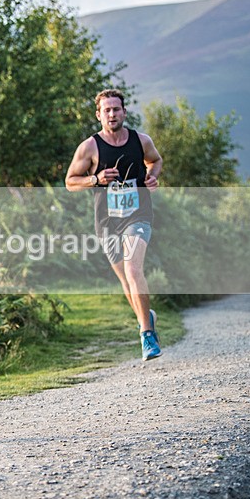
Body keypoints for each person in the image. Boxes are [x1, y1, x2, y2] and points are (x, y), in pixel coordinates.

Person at [65, 89, 163, 361]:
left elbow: (155, 161)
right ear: (99, 115)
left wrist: (152, 177)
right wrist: (96, 180)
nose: (111, 114)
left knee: (133, 268)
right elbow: (70, 182)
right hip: (107, 222)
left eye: (116, 109)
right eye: (106, 110)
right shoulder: (90, 147)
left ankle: (146, 335)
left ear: (124, 112)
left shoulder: (141, 141)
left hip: (138, 215)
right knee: (125, 279)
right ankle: (147, 317)